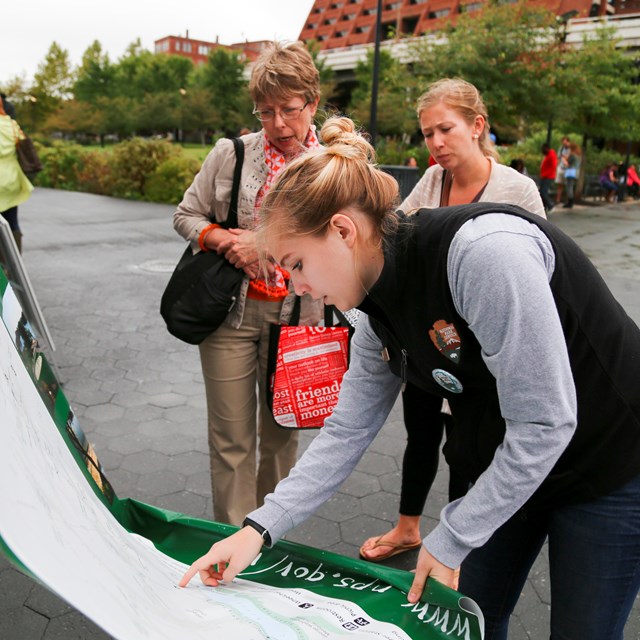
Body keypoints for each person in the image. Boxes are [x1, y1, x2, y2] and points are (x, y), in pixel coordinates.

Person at [180, 115, 640, 640]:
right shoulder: (373, 309)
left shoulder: (484, 255)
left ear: (342, 230)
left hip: (610, 460)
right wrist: (258, 530)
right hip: (506, 462)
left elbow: (547, 422)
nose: (298, 287)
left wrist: (451, 535)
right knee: (473, 621)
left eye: (297, 263)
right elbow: (347, 431)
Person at [359, 78, 545, 563]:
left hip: (484, 349)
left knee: (469, 448)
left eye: (446, 129)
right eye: (427, 133)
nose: (436, 142)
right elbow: (396, 243)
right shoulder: (431, 183)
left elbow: (541, 271)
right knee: (420, 433)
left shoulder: (516, 189)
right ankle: (407, 528)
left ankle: (456, 547)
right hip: (430, 337)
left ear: (477, 126)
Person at [172, 41, 324, 527]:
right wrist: (222, 240)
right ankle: (231, 548)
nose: (278, 124)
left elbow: (351, 241)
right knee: (232, 439)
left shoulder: (336, 166)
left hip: (303, 319)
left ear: (312, 103)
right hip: (231, 316)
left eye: (289, 110)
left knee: (282, 440)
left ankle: (268, 537)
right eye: (266, 112)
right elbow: (185, 215)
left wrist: (266, 243)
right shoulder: (231, 154)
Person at [0, 100, 32, 253]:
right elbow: (22, 142)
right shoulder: (11, 124)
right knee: (12, 222)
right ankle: (14, 264)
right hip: (11, 178)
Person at [539, 143, 558, 213]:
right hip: (545, 176)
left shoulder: (551, 155)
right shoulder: (548, 155)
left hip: (548, 176)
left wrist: (545, 174)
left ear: (546, 148)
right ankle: (545, 207)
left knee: (543, 192)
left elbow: (553, 166)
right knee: (542, 192)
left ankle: (550, 205)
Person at [562, 141, 582, 209]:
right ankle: (570, 201)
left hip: (570, 171)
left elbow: (568, 163)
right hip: (575, 172)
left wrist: (564, 160)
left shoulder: (572, 155)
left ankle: (570, 202)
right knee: (571, 186)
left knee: (569, 187)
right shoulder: (578, 155)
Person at [555, 136, 571, 206]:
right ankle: (558, 199)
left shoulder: (571, 149)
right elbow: (558, 158)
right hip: (561, 168)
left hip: (568, 169)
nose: (564, 144)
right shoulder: (561, 149)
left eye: (565, 142)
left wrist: (564, 157)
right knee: (560, 184)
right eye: (563, 142)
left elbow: (569, 158)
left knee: (568, 185)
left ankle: (567, 200)